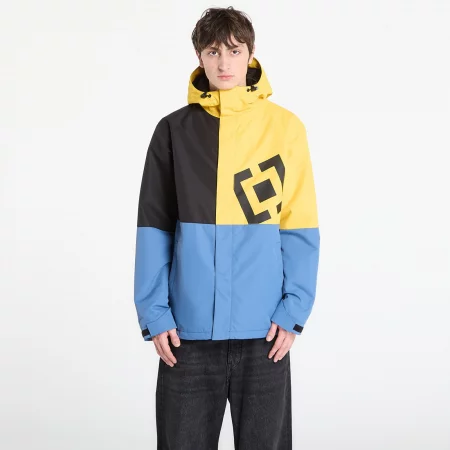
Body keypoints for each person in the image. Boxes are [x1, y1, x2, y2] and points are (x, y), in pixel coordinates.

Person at [133, 6, 320, 449]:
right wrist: (155, 313)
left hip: (265, 334)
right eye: (213, 51)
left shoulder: (285, 129)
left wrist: (293, 312)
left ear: (251, 54)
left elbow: (299, 226)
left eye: (234, 51)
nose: (224, 63)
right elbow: (154, 227)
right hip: (187, 335)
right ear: (199, 56)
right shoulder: (173, 131)